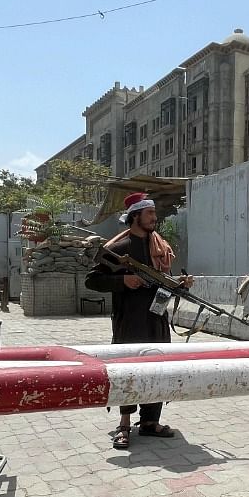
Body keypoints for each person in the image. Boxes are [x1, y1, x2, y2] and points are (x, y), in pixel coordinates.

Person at [85, 192, 192, 449]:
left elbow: (164, 282)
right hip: (129, 320)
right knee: (129, 369)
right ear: (135, 216)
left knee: (157, 368)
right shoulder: (118, 249)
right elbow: (92, 280)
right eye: (150, 214)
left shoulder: (160, 248)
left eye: (154, 214)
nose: (155, 218)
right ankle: (124, 423)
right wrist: (123, 280)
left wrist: (181, 284)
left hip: (157, 320)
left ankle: (149, 422)